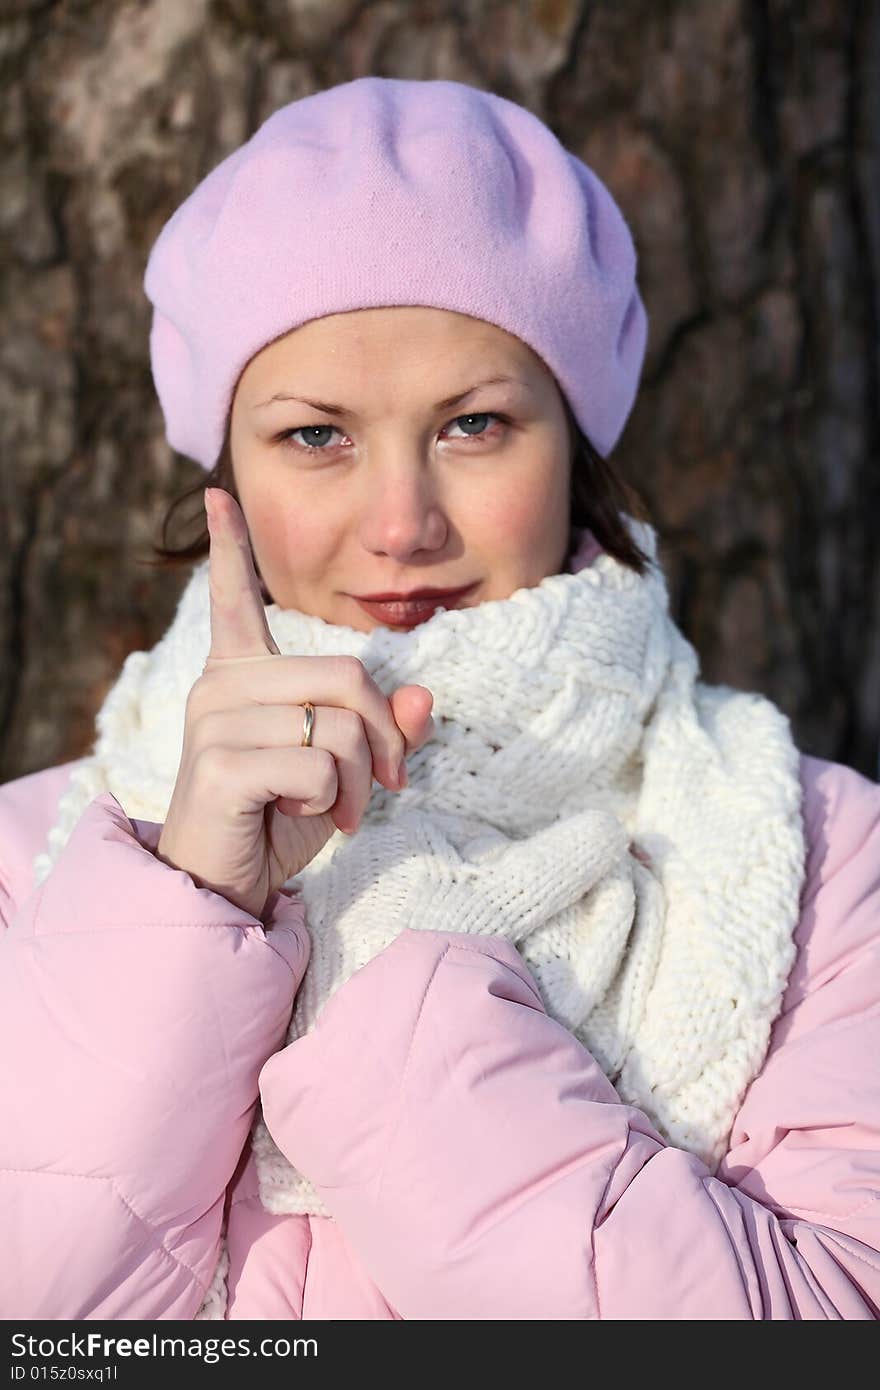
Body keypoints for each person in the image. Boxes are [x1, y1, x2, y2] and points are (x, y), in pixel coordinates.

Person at [0, 75, 877, 1322]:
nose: (402, 525)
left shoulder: (828, 862)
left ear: (571, 444)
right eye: (317, 436)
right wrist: (190, 906)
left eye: (472, 424)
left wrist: (407, 1011)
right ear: (226, 473)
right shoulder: (35, 866)